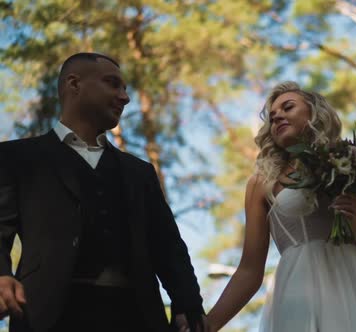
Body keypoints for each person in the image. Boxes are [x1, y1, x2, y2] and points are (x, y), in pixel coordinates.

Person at [0, 52, 209, 332]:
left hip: (136, 317)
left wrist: (187, 303)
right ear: (74, 84)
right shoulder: (16, 157)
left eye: (125, 88)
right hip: (46, 317)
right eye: (113, 84)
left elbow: (167, 246)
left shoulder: (140, 172)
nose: (125, 97)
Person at [206, 81, 356, 331]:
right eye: (272, 117)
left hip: (355, 294)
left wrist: (355, 222)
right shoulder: (261, 183)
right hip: (298, 295)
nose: (278, 117)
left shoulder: (353, 167)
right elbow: (249, 271)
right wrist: (207, 325)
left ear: (314, 113)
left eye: (288, 107)